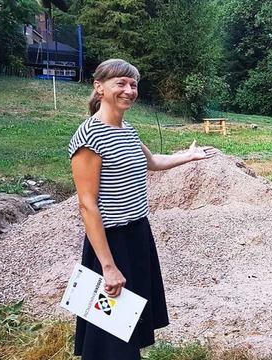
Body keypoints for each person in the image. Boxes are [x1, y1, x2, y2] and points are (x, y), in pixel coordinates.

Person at [68, 58, 216, 359]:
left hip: (137, 236)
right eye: (120, 83)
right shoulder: (89, 136)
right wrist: (108, 266)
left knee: (127, 329)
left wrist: (188, 156)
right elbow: (87, 205)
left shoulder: (127, 129)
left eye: (133, 84)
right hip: (110, 242)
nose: (129, 90)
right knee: (108, 338)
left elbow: (153, 162)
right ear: (99, 87)